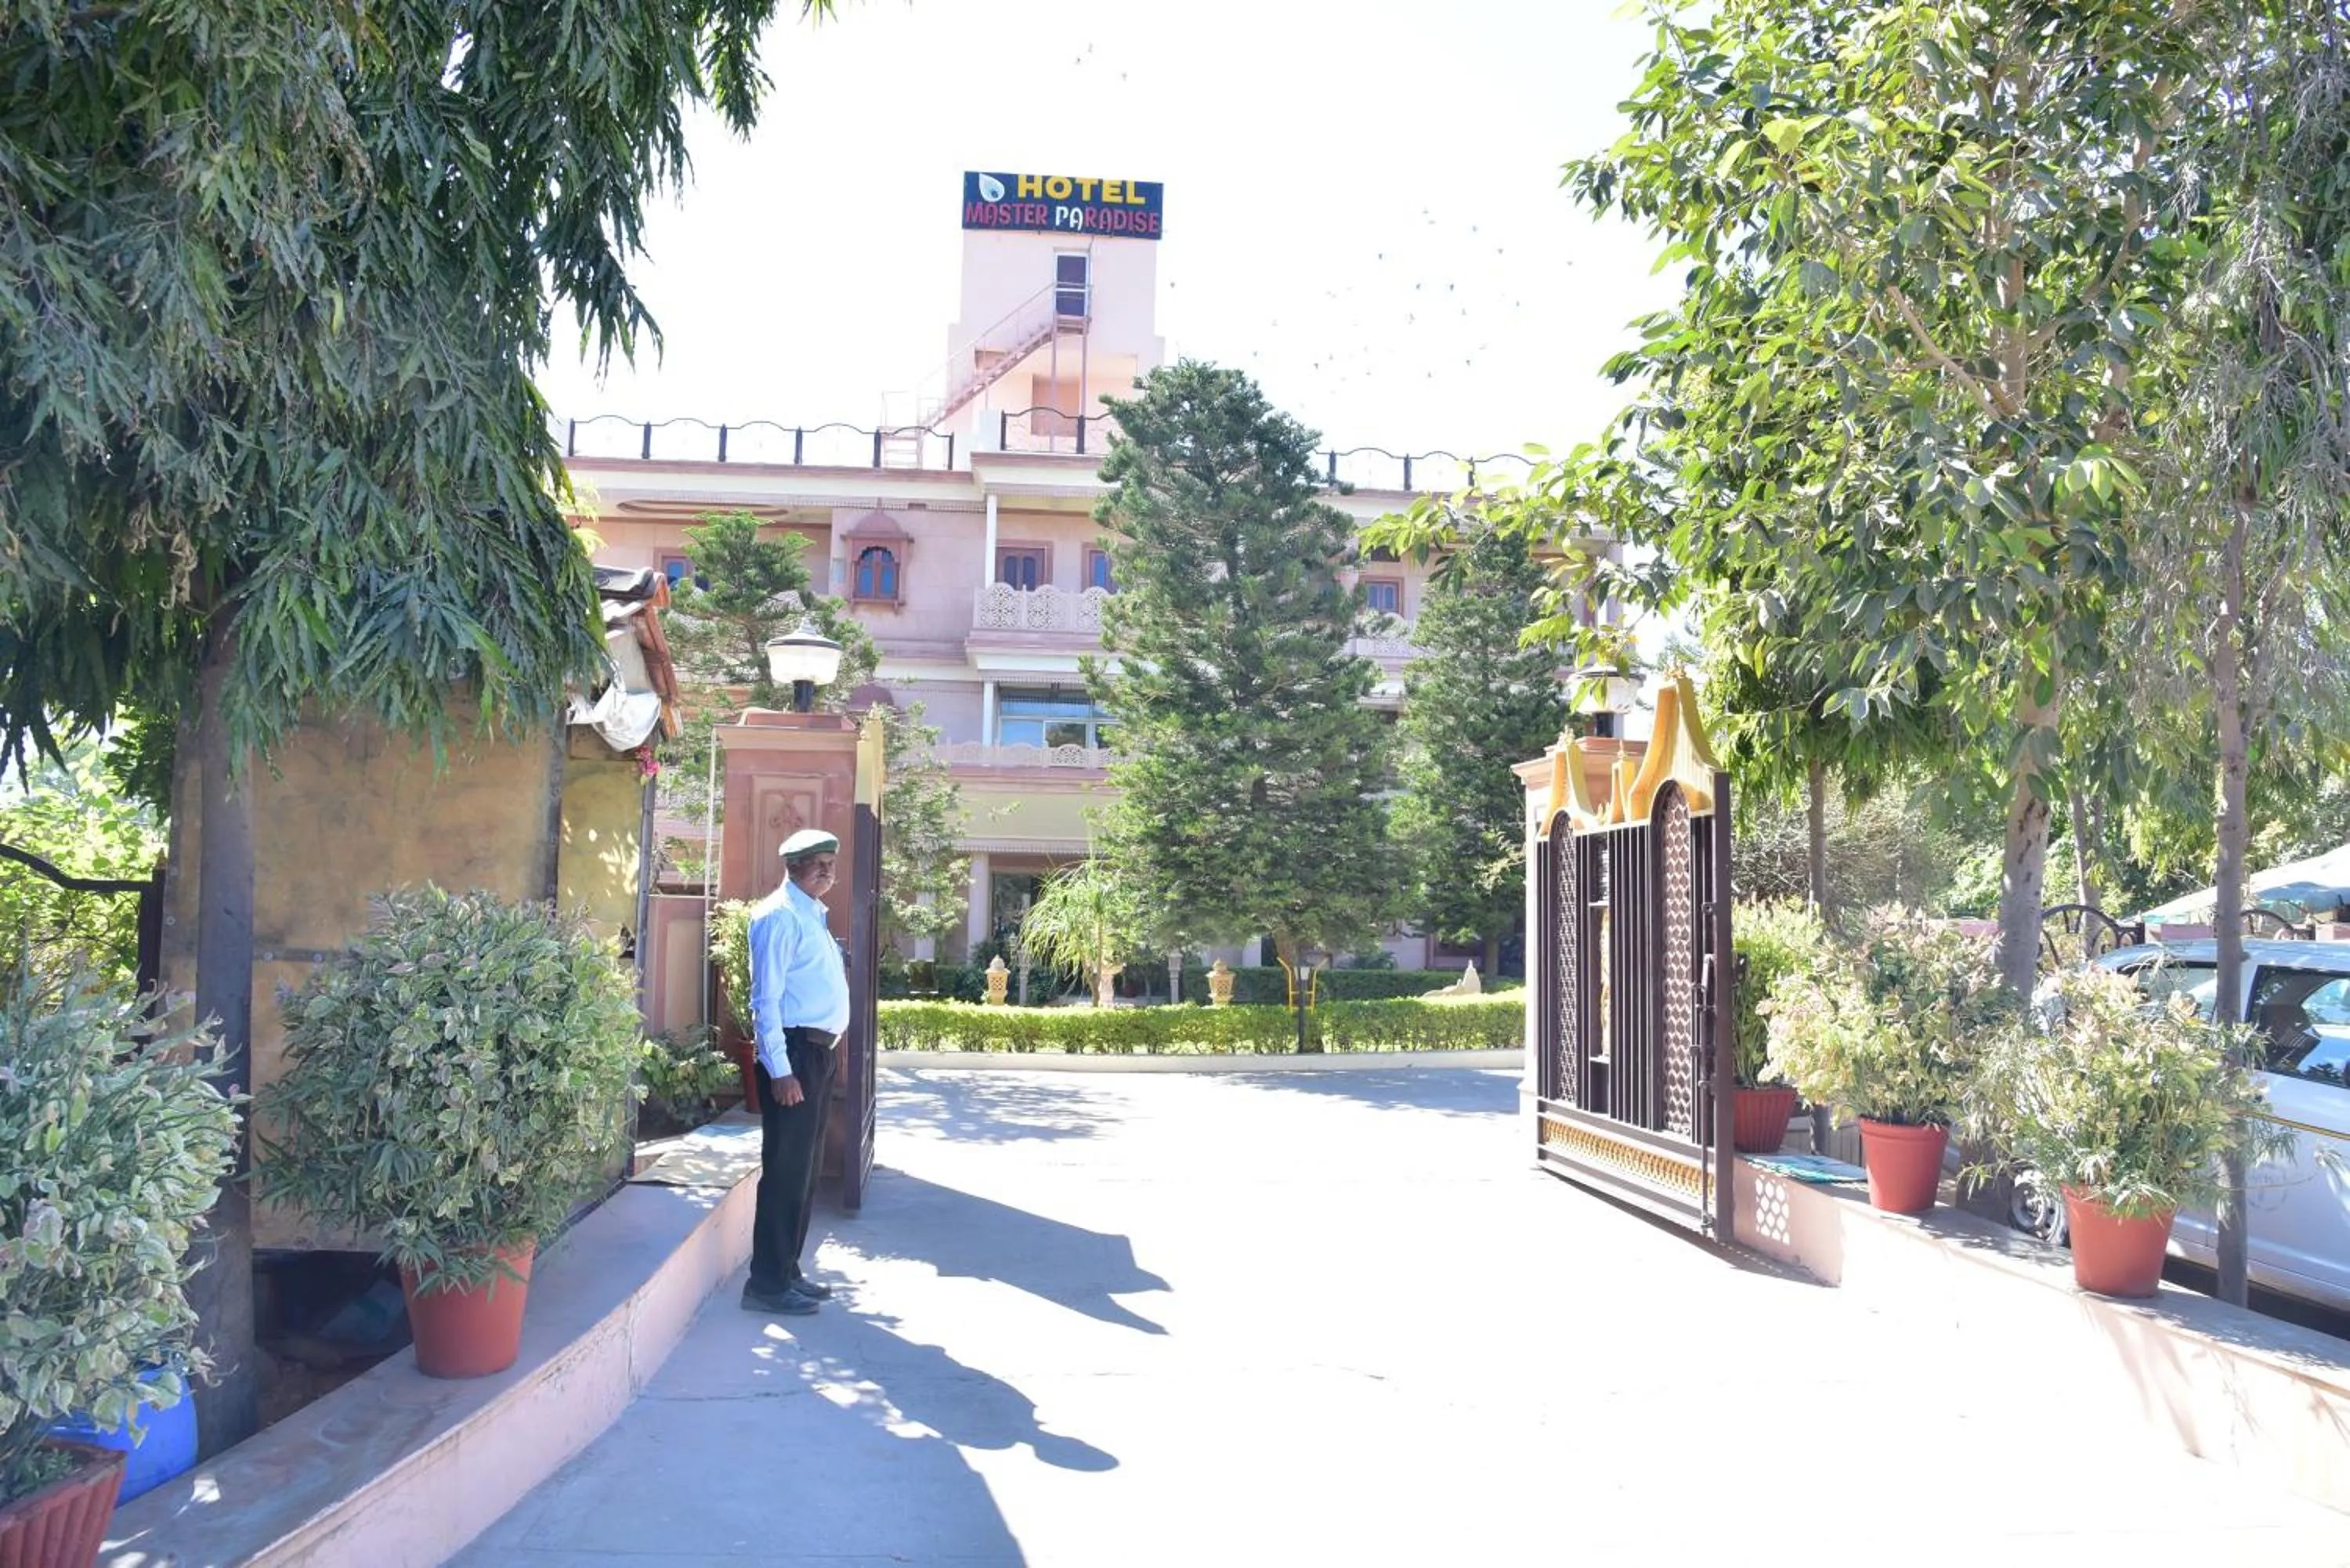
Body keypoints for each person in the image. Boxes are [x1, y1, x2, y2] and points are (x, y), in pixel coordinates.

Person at [742, 826, 851, 1315]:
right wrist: (780, 1070)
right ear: (793, 866)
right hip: (794, 1055)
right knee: (786, 1171)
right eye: (816, 863)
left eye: (830, 863)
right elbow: (765, 1000)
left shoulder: (812, 915)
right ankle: (766, 1285)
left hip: (817, 1054)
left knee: (805, 1171)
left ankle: (787, 1270)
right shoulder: (779, 917)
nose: (826, 871)